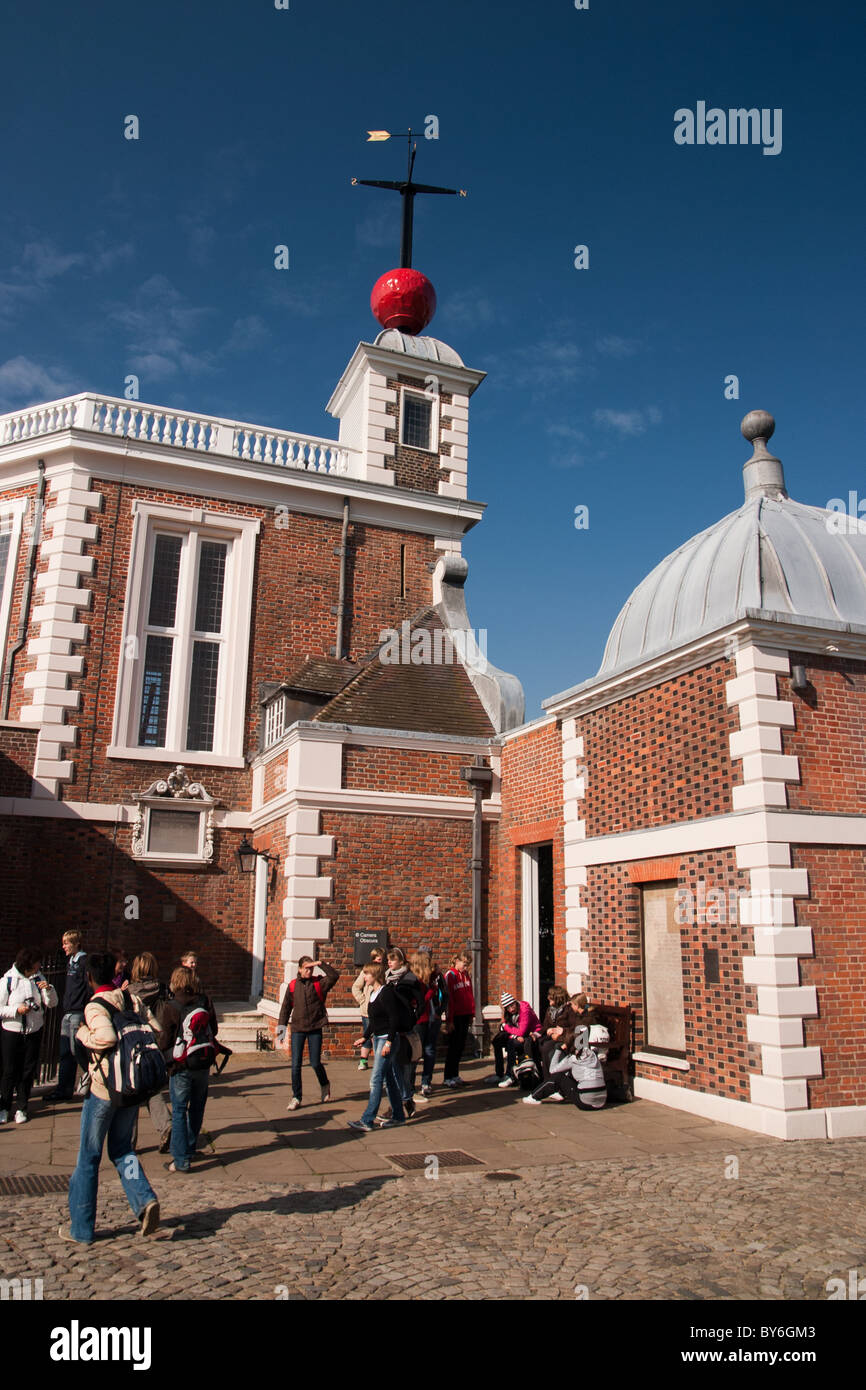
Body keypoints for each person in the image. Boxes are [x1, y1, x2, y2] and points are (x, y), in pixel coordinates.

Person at [59, 951, 160, 1243]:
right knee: (122, 1149)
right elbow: (155, 1029)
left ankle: (81, 1229)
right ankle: (144, 1200)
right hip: (131, 1087)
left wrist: (81, 1036)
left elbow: (106, 1038)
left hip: (104, 1090)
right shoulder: (131, 999)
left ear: (90, 978)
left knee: (88, 1157)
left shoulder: (95, 1005)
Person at [157, 965, 217, 1173]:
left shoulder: (171, 1006)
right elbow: (214, 1029)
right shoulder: (205, 1001)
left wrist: (166, 1059)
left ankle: (181, 1159)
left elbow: (165, 1039)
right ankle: (190, 1148)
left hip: (181, 1064)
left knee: (180, 1110)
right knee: (197, 1108)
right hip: (202, 1062)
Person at [0, 949, 58, 1124]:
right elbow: (1, 1008)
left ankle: (22, 1107)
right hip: (11, 1031)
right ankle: (4, 1107)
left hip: (33, 1031)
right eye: (37, 963)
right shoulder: (8, 980)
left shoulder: (39, 979)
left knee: (28, 1071)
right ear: (27, 964)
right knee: (9, 1071)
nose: (39, 966)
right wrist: (16, 1010)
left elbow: (52, 1003)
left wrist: (48, 990)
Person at [348, 961, 405, 1131]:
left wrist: (389, 1042)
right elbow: (374, 1021)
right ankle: (398, 1116)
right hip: (379, 1038)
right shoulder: (372, 993)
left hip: (387, 1039)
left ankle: (367, 1120)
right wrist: (364, 1037)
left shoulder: (386, 993)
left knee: (376, 1079)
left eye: (367, 974)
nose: (364, 977)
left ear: (375, 975)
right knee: (389, 1081)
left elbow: (394, 1019)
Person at [278, 956, 339, 1111]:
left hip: (315, 1027)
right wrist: (281, 1031)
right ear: (299, 969)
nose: (308, 970)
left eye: (310, 968)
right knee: (295, 1065)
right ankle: (296, 1096)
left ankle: (325, 1084)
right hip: (298, 1028)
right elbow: (285, 1009)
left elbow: (334, 976)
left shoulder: (319, 983)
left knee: (315, 1062)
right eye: (306, 968)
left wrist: (320, 964)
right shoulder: (292, 986)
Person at [129, 953, 172, 1152]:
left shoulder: (128, 992)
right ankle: (166, 1126)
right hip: (156, 1045)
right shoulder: (162, 989)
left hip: (133, 1045)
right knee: (152, 1089)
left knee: (131, 1092)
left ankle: (128, 1141)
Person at [46, 931, 91, 1103]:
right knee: (65, 1052)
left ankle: (92, 1076)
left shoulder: (83, 962)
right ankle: (63, 1089)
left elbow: (87, 987)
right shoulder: (70, 962)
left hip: (77, 1011)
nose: (64, 946)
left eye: (67, 943)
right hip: (67, 1011)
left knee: (76, 1050)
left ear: (76, 943)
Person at [523, 1026, 608, 1109]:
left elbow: (552, 1070)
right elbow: (583, 1028)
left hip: (585, 1103)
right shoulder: (593, 1054)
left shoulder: (573, 1058)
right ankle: (559, 1092)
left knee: (559, 1077)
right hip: (602, 1101)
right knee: (571, 1073)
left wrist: (558, 1050)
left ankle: (533, 1096)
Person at [491, 992, 542, 1088]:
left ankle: (510, 1075)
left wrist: (506, 1028)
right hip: (517, 1035)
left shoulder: (524, 1009)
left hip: (532, 1034)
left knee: (512, 1043)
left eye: (512, 1005)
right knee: (497, 1041)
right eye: (508, 1008)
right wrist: (512, 1033)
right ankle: (499, 1074)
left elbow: (522, 1031)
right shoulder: (509, 1013)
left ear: (515, 1002)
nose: (511, 1009)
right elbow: (504, 1027)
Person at [442, 950, 475, 1088]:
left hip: (465, 1014)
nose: (465, 967)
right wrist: (449, 1020)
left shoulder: (466, 975)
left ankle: (455, 1075)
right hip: (455, 1016)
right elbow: (449, 999)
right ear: (457, 961)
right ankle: (448, 1076)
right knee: (453, 1047)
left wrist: (472, 1014)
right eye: (464, 964)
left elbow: (470, 994)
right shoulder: (450, 975)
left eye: (467, 965)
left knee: (460, 1046)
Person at [351, 946, 385, 1070]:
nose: (378, 962)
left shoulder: (385, 972)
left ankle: (379, 1061)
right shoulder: (366, 972)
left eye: (380, 959)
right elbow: (356, 987)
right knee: (367, 1034)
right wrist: (362, 1000)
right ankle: (363, 1060)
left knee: (378, 1036)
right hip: (367, 1011)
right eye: (376, 959)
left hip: (380, 1010)